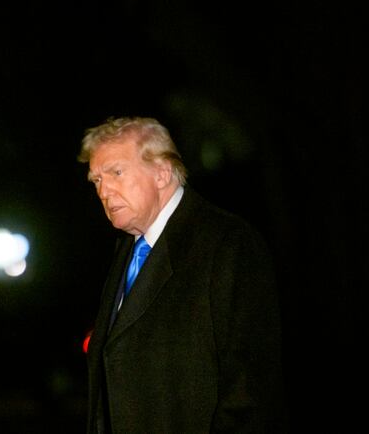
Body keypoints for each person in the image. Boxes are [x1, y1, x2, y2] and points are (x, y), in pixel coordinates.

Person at [78, 116, 286, 433]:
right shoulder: (128, 251)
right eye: (96, 181)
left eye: (116, 173)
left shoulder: (228, 243)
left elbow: (251, 388)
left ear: (162, 173)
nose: (104, 191)